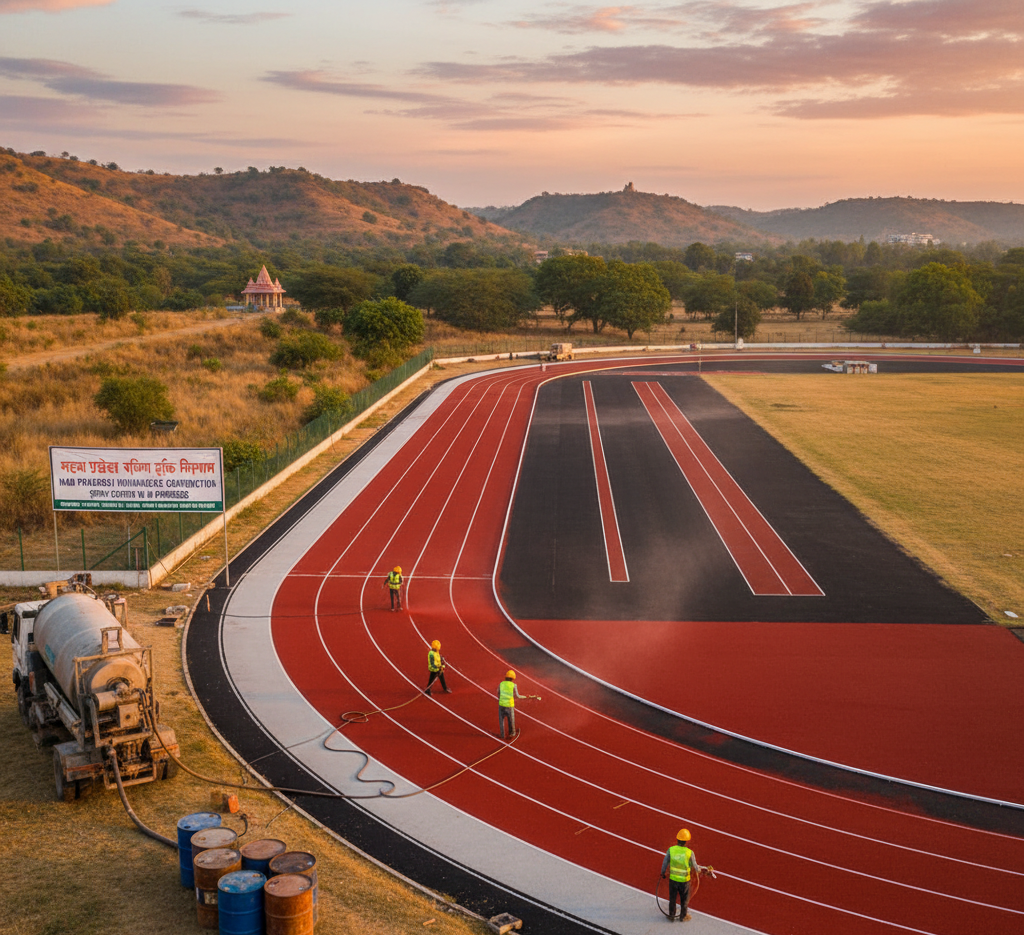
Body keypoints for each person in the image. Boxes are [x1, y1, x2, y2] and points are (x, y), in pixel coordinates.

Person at [660, 828, 704, 922]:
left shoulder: (671, 850)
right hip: (684, 881)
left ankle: (671, 916)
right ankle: (683, 917)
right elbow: (695, 867)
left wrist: (663, 873)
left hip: (673, 880)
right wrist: (701, 870)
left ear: (677, 839)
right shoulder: (689, 853)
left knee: (672, 899)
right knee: (684, 900)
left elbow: (665, 862)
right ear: (686, 841)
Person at [498, 669, 522, 739]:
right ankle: (512, 733)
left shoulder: (501, 684)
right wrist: (523, 697)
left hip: (501, 704)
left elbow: (498, 693)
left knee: (501, 720)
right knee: (511, 720)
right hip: (509, 705)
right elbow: (516, 696)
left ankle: (502, 735)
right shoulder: (514, 685)